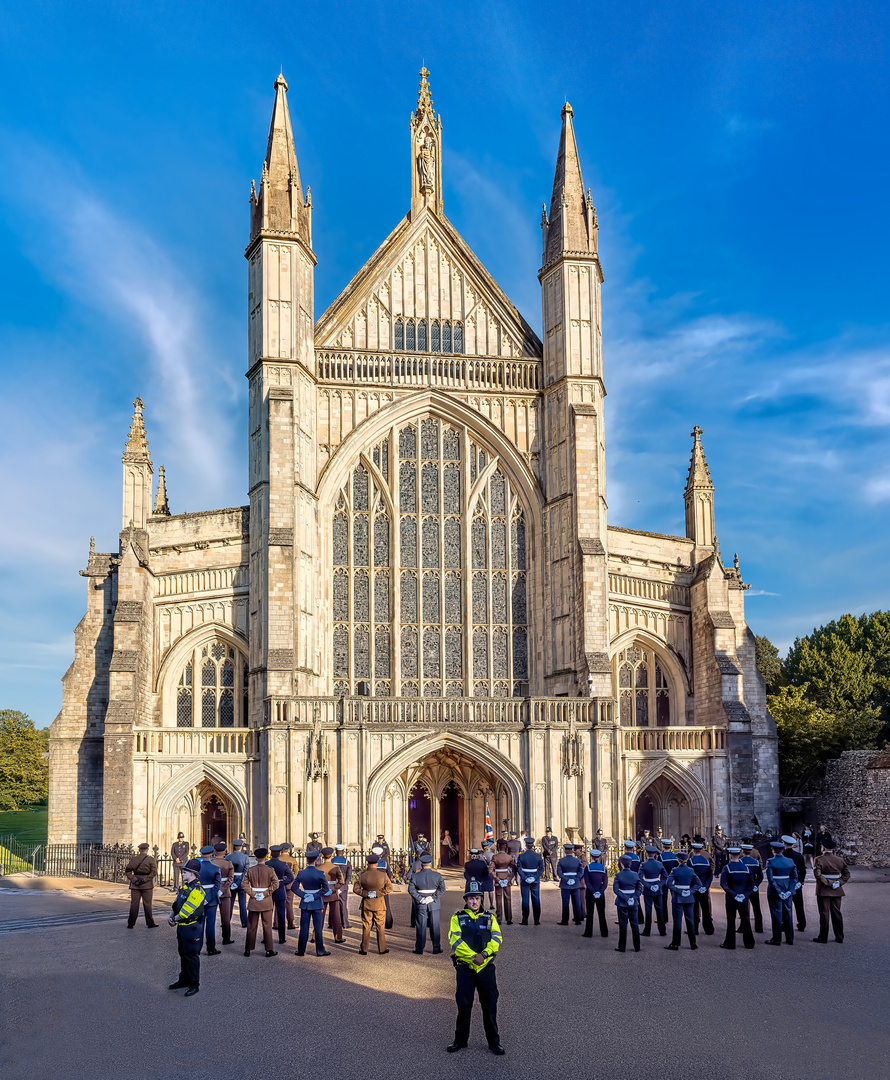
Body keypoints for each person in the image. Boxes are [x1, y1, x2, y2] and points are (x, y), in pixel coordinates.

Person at [447, 881, 504, 1055]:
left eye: (477, 898)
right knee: (464, 1005)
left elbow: (497, 939)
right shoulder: (457, 918)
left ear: (481, 900)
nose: (474, 902)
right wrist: (473, 956)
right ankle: (460, 1040)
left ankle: (494, 1042)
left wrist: (484, 955)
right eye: (471, 898)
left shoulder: (489, 918)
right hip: (466, 967)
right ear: (466, 899)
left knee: (490, 1006)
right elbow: (455, 942)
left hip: (485, 968)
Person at [167, 860, 206, 996]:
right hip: (182, 927)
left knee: (191, 956)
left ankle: (194, 984)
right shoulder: (185, 887)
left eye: (185, 872)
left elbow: (186, 911)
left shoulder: (198, 890)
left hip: (192, 927)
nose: (182, 873)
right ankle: (183, 980)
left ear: (192, 874)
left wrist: (174, 919)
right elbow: (177, 903)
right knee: (183, 954)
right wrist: (171, 915)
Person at [293, 848, 331, 957]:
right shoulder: (320, 873)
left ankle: (301, 951)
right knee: (318, 927)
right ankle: (320, 951)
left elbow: (294, 888)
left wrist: (304, 895)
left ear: (306, 860)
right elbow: (325, 889)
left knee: (304, 927)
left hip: (305, 902)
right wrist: (314, 896)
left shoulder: (301, 873)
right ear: (316, 859)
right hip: (316, 902)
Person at [243, 847, 280, 957]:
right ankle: (269, 950)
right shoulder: (270, 870)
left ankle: (248, 949)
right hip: (266, 900)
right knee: (267, 926)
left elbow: (244, 884)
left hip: (254, 901)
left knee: (251, 926)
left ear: (256, 857)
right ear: (266, 857)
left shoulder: (251, 870)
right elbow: (276, 884)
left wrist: (253, 894)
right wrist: (264, 893)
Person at [354, 852, 393, 955]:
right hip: (379, 903)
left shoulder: (363, 875)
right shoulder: (383, 875)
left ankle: (364, 949)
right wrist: (377, 893)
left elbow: (356, 889)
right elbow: (389, 888)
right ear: (376, 863)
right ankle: (382, 948)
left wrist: (366, 893)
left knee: (366, 926)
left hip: (367, 903)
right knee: (380, 926)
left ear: (368, 864)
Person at [812, 838, 849, 944]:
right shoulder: (840, 860)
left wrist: (828, 883)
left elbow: (817, 875)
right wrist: (839, 883)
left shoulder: (818, 859)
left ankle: (823, 938)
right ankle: (839, 937)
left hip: (824, 890)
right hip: (837, 889)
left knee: (824, 913)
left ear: (822, 848)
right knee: (837, 913)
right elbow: (847, 875)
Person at [408, 852, 446, 953]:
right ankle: (436, 947)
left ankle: (419, 948)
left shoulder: (415, 876)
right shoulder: (437, 875)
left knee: (421, 925)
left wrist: (420, 899)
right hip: (434, 903)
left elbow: (411, 890)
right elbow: (442, 889)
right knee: (435, 925)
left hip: (421, 903)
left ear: (421, 863)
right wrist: (433, 898)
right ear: (431, 863)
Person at [719, 846, 755, 950]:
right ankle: (749, 943)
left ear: (730, 855)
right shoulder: (746, 868)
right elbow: (751, 884)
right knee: (745, 918)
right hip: (743, 896)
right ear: (739, 855)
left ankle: (730, 943)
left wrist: (734, 894)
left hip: (731, 897)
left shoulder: (727, 867)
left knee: (731, 920)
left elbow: (723, 884)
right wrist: (744, 894)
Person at [765, 839, 797, 946]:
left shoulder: (770, 861)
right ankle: (790, 938)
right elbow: (794, 878)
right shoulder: (790, 861)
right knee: (788, 914)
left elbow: (771, 879)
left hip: (775, 891)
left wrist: (779, 892)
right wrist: (790, 891)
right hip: (787, 888)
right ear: (782, 850)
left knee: (776, 914)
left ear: (773, 850)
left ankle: (777, 939)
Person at [664, 850, 697, 951]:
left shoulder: (675, 870)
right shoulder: (691, 870)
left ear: (678, 860)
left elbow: (668, 884)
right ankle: (693, 943)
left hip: (678, 898)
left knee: (677, 921)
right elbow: (698, 884)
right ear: (687, 860)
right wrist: (690, 891)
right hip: (689, 897)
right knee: (690, 920)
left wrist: (678, 890)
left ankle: (675, 943)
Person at [612, 855, 643, 953]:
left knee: (623, 925)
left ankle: (622, 946)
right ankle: (637, 946)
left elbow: (616, 890)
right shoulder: (635, 875)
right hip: (633, 902)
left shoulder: (618, 875)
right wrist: (633, 898)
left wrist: (626, 898)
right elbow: (639, 889)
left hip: (622, 902)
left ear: (621, 864)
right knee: (635, 924)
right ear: (630, 864)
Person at [125, 843, 158, 929]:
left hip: (135, 885)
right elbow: (154, 872)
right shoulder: (151, 859)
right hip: (147, 885)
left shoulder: (133, 859)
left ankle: (131, 923)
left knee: (134, 904)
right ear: (147, 850)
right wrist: (145, 880)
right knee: (147, 904)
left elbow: (127, 871)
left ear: (139, 850)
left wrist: (133, 879)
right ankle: (150, 923)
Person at [267, 846, 295, 945]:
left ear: (271, 853)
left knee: (267, 916)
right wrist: (281, 882)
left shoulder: (267, 864)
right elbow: (291, 877)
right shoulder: (283, 864)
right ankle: (282, 938)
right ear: (279, 854)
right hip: (279, 890)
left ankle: (267, 937)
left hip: (269, 891)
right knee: (281, 914)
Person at [318, 847, 346, 944]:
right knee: (336, 916)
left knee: (320, 916)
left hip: (322, 892)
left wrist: (322, 889)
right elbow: (341, 882)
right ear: (331, 855)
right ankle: (338, 937)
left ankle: (315, 935)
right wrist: (333, 889)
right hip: (333, 893)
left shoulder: (318, 867)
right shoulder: (335, 867)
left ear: (323, 856)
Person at [197, 846, 222, 954]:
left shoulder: (197, 868)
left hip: (199, 898)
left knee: (199, 924)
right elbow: (217, 886)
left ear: (201, 855)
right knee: (210, 924)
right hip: (211, 899)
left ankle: (197, 949)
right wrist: (209, 898)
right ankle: (211, 948)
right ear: (211, 855)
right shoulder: (215, 868)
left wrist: (201, 898)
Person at [638, 845, 667, 937]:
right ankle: (662, 931)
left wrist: (648, 886)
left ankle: (647, 931)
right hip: (657, 889)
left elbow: (639, 877)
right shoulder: (659, 864)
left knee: (648, 910)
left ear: (647, 854)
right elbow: (665, 877)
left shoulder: (643, 864)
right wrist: (658, 885)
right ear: (655, 854)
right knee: (659, 910)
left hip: (648, 889)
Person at [782, 834, 807, 931]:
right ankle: (802, 924)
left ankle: (785, 924)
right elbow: (803, 870)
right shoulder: (798, 856)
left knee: (785, 905)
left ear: (784, 843)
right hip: (796, 883)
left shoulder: (783, 855)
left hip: (785, 882)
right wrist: (800, 881)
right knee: (799, 905)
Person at [211, 841, 235, 945]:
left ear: (215, 851)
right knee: (225, 917)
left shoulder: (212, 863)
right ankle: (226, 938)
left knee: (211, 918)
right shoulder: (228, 863)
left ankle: (211, 941)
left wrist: (216, 889)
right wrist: (224, 889)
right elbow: (231, 879)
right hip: (225, 892)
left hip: (213, 891)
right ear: (225, 851)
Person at [516, 837, 544, 926]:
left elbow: (519, 868)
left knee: (525, 899)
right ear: (532, 845)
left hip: (525, 879)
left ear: (526, 845)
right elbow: (541, 868)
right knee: (536, 899)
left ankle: (525, 920)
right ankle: (537, 920)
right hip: (535, 879)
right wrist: (535, 877)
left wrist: (524, 877)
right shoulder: (538, 856)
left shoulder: (521, 856)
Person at [689, 842, 715, 935]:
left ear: (693, 849)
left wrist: (696, 886)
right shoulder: (706, 861)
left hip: (695, 887)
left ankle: (694, 929)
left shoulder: (691, 861)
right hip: (704, 887)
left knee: (694, 909)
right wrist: (705, 886)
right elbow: (710, 875)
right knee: (705, 908)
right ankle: (709, 929)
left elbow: (690, 876)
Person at [582, 847, 609, 938]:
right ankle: (604, 932)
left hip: (590, 892)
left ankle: (588, 932)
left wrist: (593, 891)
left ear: (591, 856)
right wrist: (599, 891)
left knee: (590, 913)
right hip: (600, 893)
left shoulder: (588, 867)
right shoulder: (603, 868)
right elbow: (605, 883)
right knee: (601, 913)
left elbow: (587, 882)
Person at [739, 841, 765, 934]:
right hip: (753, 885)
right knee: (756, 907)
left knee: (744, 908)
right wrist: (756, 885)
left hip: (744, 886)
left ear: (742, 851)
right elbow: (760, 876)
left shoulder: (740, 861)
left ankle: (743, 926)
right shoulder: (756, 862)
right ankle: (759, 927)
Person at [556, 843, 584, 926]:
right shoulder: (577, 860)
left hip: (565, 883)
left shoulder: (561, 860)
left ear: (565, 851)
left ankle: (565, 920)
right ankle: (578, 920)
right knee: (576, 902)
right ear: (572, 851)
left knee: (565, 903)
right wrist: (575, 878)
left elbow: (559, 873)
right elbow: (581, 871)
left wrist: (567, 879)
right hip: (575, 883)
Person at [227, 839, 250, 930]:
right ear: (241, 847)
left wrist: (232, 881)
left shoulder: (228, 857)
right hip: (241, 881)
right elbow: (246, 872)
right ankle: (244, 922)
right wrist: (239, 882)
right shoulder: (245, 857)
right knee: (242, 903)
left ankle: (227, 920)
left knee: (230, 903)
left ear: (234, 847)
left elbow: (227, 870)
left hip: (232, 880)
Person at [491, 839, 515, 925]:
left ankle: (499, 918)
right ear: (505, 847)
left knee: (498, 899)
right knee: (508, 898)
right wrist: (509, 878)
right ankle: (509, 919)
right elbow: (514, 869)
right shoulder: (509, 857)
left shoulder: (495, 857)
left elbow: (490, 870)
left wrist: (497, 879)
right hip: (506, 879)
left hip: (498, 880)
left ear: (498, 846)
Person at [278, 843, 299, 931]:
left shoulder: (277, 859)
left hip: (279, 883)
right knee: (289, 904)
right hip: (289, 883)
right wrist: (292, 878)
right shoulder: (292, 859)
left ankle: (276, 923)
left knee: (278, 904)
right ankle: (290, 923)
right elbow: (297, 871)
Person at [372, 845, 395, 929]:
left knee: (371, 905)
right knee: (386, 905)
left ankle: (370, 924)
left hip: (373, 887)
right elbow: (389, 875)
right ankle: (388, 923)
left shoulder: (371, 864)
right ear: (381, 855)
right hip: (383, 887)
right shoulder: (384, 864)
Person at [331, 844, 352, 930]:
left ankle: (332, 923)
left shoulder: (331, 861)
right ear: (343, 852)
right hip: (342, 886)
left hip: (333, 886)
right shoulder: (347, 862)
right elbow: (349, 876)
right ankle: (345, 923)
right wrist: (344, 886)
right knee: (343, 904)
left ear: (336, 852)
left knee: (333, 904)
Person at [479, 842, 496, 909]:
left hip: (482, 873)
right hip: (490, 873)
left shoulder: (480, 856)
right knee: (490, 890)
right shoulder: (492, 855)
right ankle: (491, 904)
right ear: (487, 846)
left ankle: (482, 904)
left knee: (482, 890)